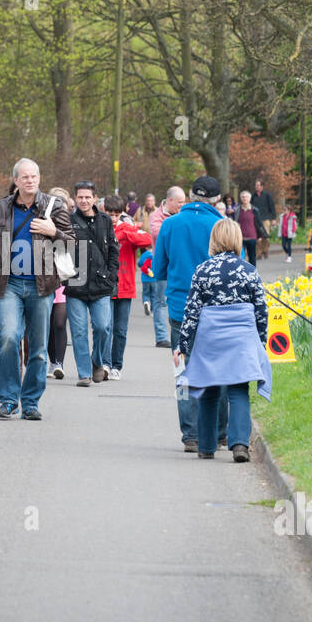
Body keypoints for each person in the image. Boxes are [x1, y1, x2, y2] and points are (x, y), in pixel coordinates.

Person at [0, 158, 75, 420]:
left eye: (34, 176)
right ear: (16, 181)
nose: (30, 180)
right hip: (8, 284)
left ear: (39, 178)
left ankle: (31, 402)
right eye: (25, 177)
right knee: (9, 337)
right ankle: (9, 399)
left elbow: (73, 244)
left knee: (38, 347)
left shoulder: (54, 207)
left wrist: (54, 231)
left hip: (41, 286)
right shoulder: (1, 208)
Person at [177, 219, 271, 462]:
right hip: (241, 338)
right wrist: (261, 341)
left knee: (209, 389)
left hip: (212, 337)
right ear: (237, 240)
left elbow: (192, 311)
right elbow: (261, 309)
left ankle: (206, 446)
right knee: (239, 390)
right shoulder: (249, 271)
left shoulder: (202, 270)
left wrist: (184, 344)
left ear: (214, 240)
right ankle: (239, 444)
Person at [152, 175, 229, 453]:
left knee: (183, 370)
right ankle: (221, 432)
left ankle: (191, 434)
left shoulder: (170, 225)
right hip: (217, 309)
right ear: (217, 199)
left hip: (180, 308)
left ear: (190, 195)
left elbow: (159, 268)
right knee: (219, 368)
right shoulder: (221, 226)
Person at [65, 181, 118, 387]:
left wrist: (111, 275)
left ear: (95, 198)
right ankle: (84, 373)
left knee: (103, 327)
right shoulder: (68, 220)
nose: (84, 200)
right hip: (75, 285)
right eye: (80, 197)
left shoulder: (105, 220)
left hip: (101, 284)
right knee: (78, 331)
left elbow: (113, 249)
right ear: (75, 198)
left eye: (88, 197)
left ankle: (97, 361)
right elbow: (60, 248)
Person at [105, 194, 152, 380]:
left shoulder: (128, 229)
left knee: (121, 330)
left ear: (122, 213)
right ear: (104, 213)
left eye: (117, 215)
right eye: (110, 215)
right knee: (104, 327)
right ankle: (105, 364)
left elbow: (147, 240)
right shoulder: (102, 229)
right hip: (106, 285)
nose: (114, 219)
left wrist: (125, 233)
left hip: (125, 285)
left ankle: (117, 365)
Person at [147, 187, 185, 347]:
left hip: (180, 263)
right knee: (160, 301)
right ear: (170, 200)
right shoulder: (156, 216)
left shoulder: (182, 215)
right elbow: (158, 234)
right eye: (180, 202)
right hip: (163, 263)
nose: (183, 205)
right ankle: (162, 337)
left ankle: (183, 333)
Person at [45, 187, 73, 379]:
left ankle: (59, 363)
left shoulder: (71, 224)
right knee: (47, 323)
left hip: (63, 277)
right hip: (45, 277)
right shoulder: (42, 220)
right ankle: (51, 361)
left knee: (60, 322)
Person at [234, 189, 264, 266]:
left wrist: (260, 235)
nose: (245, 198)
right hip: (240, 237)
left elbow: (259, 224)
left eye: (246, 197)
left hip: (252, 237)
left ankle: (253, 273)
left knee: (252, 257)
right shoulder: (237, 210)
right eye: (243, 197)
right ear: (241, 198)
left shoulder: (255, 210)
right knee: (240, 257)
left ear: (249, 198)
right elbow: (235, 223)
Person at [250, 179, 277, 261]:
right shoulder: (253, 196)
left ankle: (265, 250)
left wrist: (273, 218)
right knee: (257, 238)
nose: (256, 187)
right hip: (256, 219)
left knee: (265, 236)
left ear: (262, 186)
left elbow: (272, 206)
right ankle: (258, 253)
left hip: (266, 218)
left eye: (258, 185)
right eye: (255, 185)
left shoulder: (267, 195)